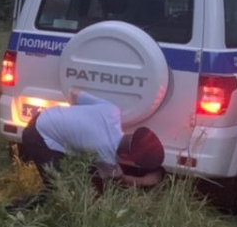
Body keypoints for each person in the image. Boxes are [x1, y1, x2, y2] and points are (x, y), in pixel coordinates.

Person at [9, 89, 165, 209]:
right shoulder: (106, 156)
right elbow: (121, 180)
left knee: (77, 174)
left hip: (44, 116)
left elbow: (76, 95)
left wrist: (77, 125)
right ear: (130, 160)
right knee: (56, 190)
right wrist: (145, 180)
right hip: (37, 137)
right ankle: (13, 210)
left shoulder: (112, 111)